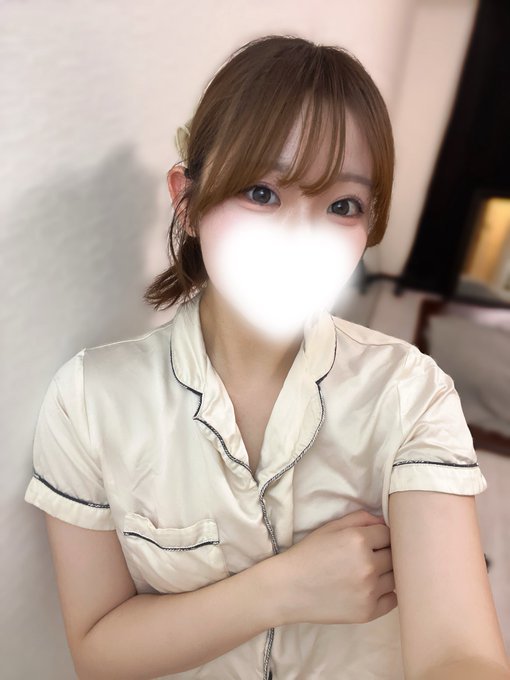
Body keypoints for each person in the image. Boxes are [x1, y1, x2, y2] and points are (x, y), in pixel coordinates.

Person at [24, 35, 508, 680]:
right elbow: (98, 653)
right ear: (187, 202)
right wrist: (285, 587)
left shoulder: (411, 393)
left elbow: (460, 653)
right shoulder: (89, 400)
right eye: (260, 193)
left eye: (342, 206)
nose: (298, 238)